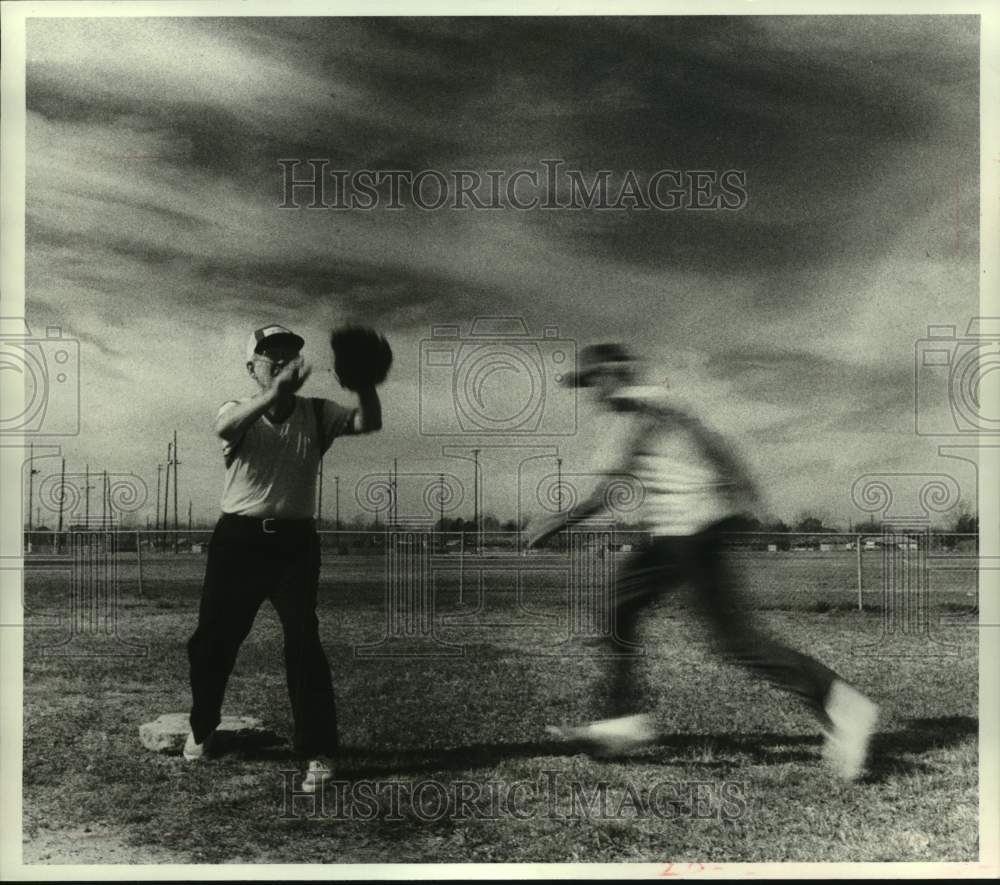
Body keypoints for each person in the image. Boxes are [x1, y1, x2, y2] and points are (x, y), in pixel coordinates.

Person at [525, 343, 878, 781]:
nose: (589, 392)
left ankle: (840, 703)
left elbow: (615, 486)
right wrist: (743, 488)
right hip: (676, 534)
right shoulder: (645, 406)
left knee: (736, 643)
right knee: (619, 609)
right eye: (585, 384)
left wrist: (559, 520)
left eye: (592, 380)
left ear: (615, 373)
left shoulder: (642, 403)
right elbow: (711, 443)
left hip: (695, 530)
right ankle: (624, 720)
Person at [185, 324, 382, 791]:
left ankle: (318, 752)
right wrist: (273, 392)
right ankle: (203, 726)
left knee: (303, 640)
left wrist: (367, 386)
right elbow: (225, 427)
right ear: (251, 367)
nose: (280, 359)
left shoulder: (317, 412)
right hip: (238, 541)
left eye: (289, 354)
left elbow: (367, 422)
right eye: (269, 354)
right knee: (213, 641)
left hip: (293, 544)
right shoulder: (237, 410)